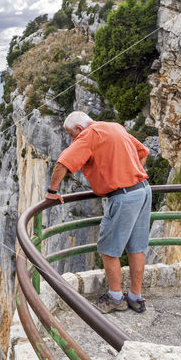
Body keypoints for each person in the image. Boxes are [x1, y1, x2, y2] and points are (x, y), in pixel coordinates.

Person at [44, 111, 151, 314]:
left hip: (123, 196)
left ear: (79, 129)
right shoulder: (115, 126)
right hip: (143, 190)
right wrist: (127, 171)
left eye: (71, 135)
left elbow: (63, 162)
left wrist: (52, 192)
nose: (72, 139)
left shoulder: (89, 134)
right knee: (136, 247)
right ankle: (136, 297)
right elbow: (143, 152)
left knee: (108, 249)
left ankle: (115, 297)